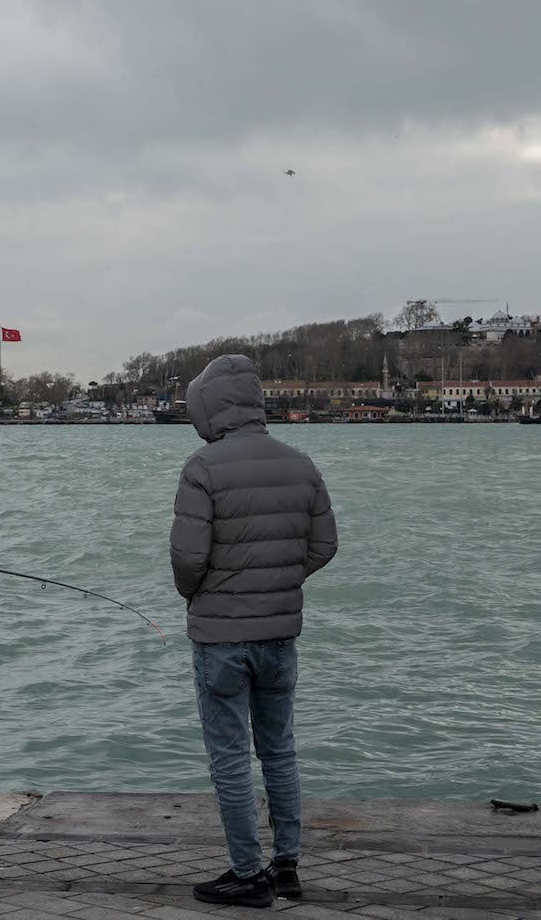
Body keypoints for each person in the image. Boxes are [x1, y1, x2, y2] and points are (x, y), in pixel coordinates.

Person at [169, 354, 338, 907]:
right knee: (280, 749)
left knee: (230, 756)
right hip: (280, 635)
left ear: (209, 408)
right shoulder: (302, 463)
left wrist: (200, 594)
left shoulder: (202, 467)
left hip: (220, 638)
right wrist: (281, 581)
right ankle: (286, 865)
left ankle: (248, 874)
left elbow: (188, 560)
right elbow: (323, 546)